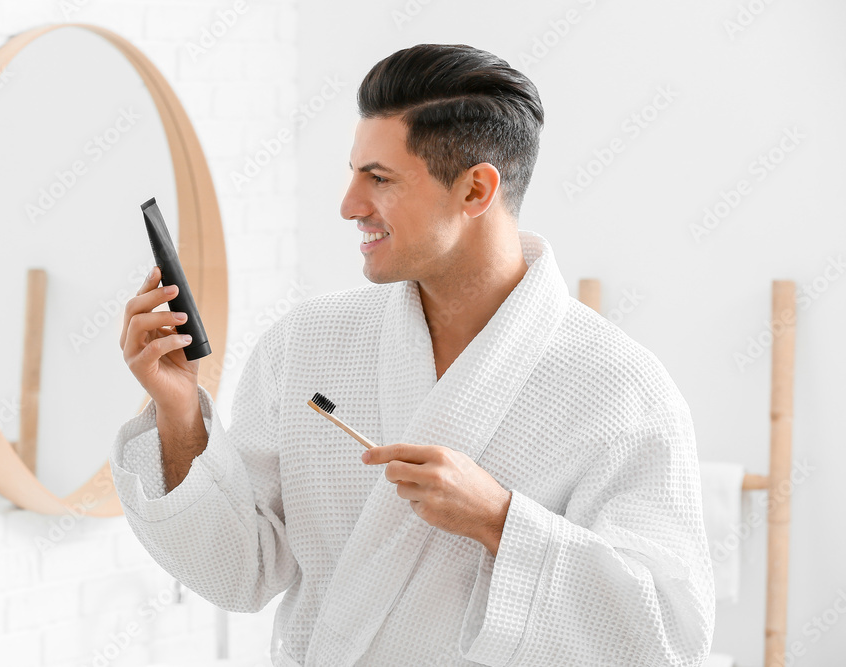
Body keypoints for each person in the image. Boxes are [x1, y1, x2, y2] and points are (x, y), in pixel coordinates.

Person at [111, 43, 715, 667]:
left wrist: (499, 522)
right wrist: (178, 411)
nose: (348, 203)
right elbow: (237, 571)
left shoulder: (621, 387)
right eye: (352, 173)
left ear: (476, 189)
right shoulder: (306, 343)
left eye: (379, 178)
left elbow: (666, 636)